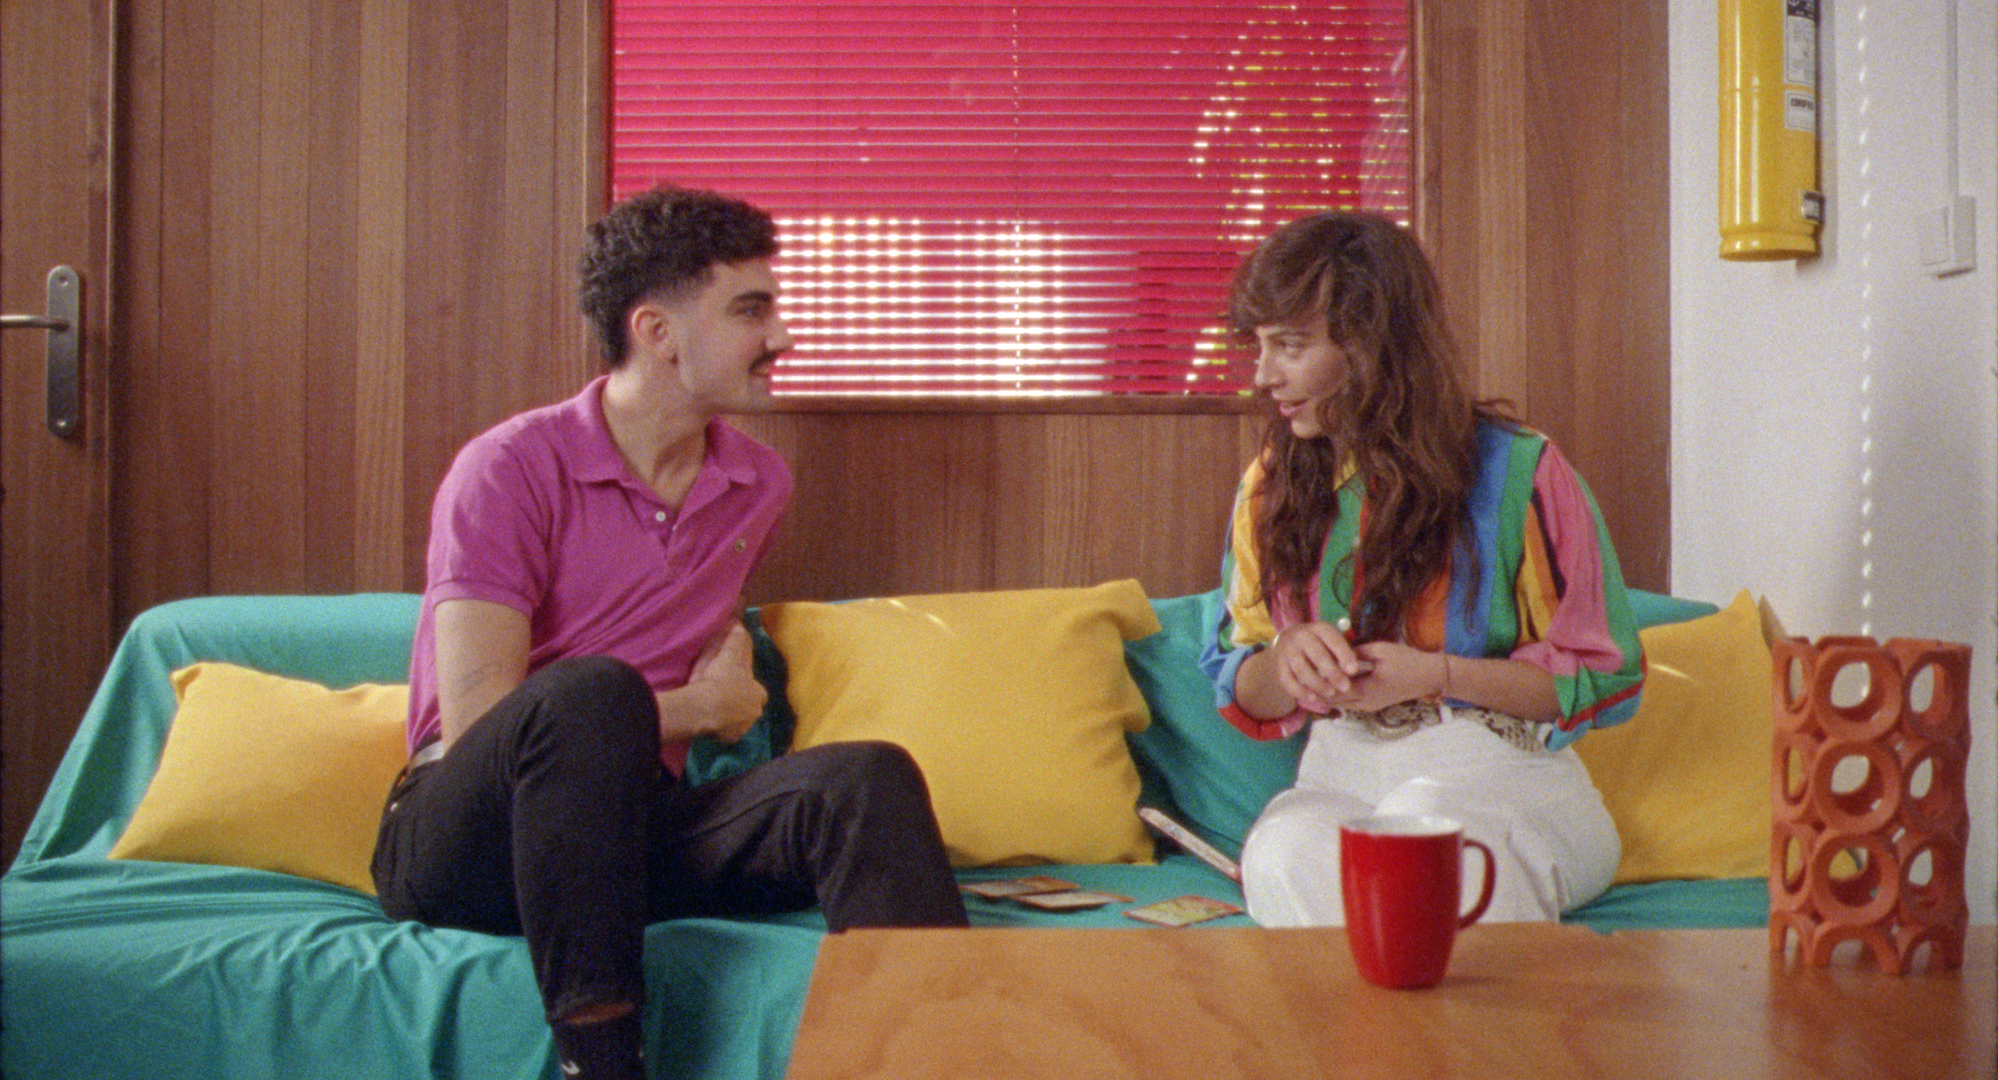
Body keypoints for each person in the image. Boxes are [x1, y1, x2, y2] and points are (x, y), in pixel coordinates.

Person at [371, 185, 968, 1080]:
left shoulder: (756, 483)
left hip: (627, 829)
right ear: (656, 332)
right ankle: (603, 1067)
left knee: (864, 778)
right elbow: (480, 724)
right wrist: (704, 706)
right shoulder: (508, 468)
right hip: (467, 837)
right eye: (751, 310)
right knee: (591, 690)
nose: (782, 335)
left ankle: (940, 1062)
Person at [1199, 210, 1645, 927]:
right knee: (1278, 851)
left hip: (1503, 771)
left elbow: (1606, 676)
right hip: (1341, 769)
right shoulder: (1268, 488)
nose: (1263, 374)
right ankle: (1385, 999)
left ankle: (1471, 997)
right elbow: (1240, 679)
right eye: (1259, 345)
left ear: (1372, 342)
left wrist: (1436, 675)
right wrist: (1287, 660)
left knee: (1421, 824)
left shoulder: (1521, 472)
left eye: (1290, 346)